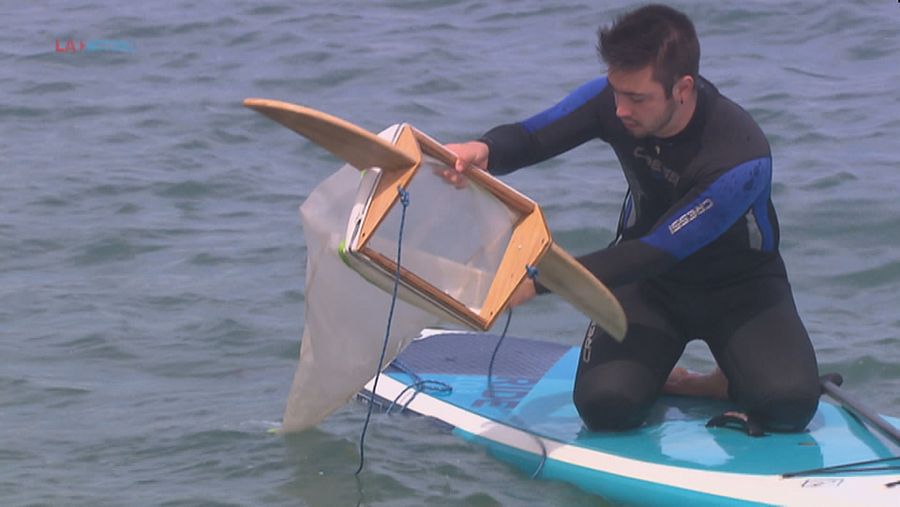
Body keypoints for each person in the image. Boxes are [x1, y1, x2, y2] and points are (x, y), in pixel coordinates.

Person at [447, 4, 820, 432]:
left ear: (682, 89)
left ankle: (715, 382)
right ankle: (661, 372)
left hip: (741, 288)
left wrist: (534, 281)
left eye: (637, 98)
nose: (620, 109)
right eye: (616, 91)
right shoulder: (615, 100)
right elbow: (534, 136)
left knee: (788, 406)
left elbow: (657, 250)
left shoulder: (737, 154)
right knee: (605, 407)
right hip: (650, 289)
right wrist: (481, 151)